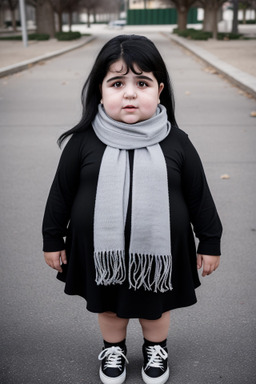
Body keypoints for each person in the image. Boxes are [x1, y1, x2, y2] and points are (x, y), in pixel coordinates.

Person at [42, 35, 222, 384]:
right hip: (100, 252)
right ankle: (114, 348)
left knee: (156, 307)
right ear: (101, 89)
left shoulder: (176, 141)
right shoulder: (83, 142)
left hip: (159, 253)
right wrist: (52, 239)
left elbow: (199, 196)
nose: (129, 92)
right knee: (108, 306)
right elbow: (60, 194)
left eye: (142, 82)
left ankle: (156, 348)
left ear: (159, 90)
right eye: (117, 82)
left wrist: (210, 241)